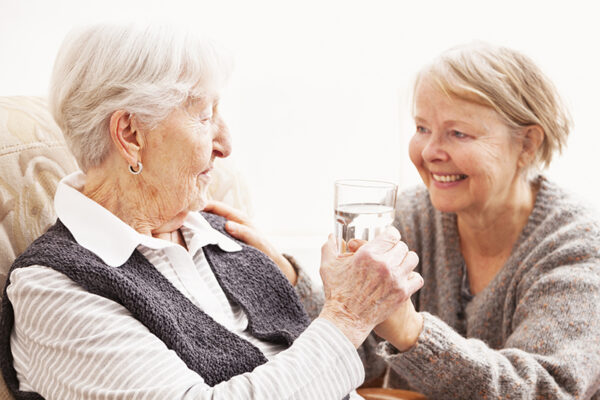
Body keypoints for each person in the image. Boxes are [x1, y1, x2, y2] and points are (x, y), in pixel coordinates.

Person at [0, 23, 423, 400]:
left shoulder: (221, 234)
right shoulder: (53, 292)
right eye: (205, 115)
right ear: (130, 134)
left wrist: (316, 289)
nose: (226, 143)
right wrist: (347, 316)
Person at [370, 43, 600, 399]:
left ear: (527, 144)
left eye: (458, 133)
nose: (430, 152)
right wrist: (286, 277)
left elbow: (547, 391)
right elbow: (356, 356)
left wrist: (411, 332)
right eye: (422, 127)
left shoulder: (577, 244)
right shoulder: (412, 218)